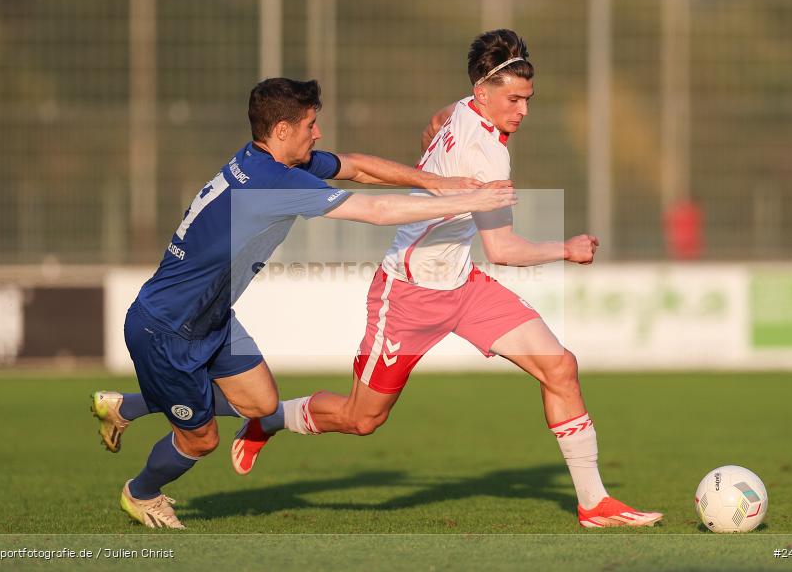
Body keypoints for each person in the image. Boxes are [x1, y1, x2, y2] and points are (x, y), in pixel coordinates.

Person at [230, 30, 663, 529]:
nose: (522, 111)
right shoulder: (488, 155)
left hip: (463, 285)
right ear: (483, 93)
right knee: (362, 419)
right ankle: (270, 418)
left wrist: (429, 152)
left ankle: (593, 502)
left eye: (528, 99)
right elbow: (504, 250)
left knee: (560, 367)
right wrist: (566, 250)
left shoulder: (464, 107)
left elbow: (437, 122)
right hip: (407, 294)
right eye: (514, 100)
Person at [90, 77, 515, 529]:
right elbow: (376, 211)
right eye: (311, 125)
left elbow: (356, 168)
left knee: (261, 403)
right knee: (200, 440)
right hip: (165, 330)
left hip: (211, 319)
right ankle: (141, 493)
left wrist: (436, 182)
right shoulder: (271, 183)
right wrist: (470, 199)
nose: (318, 134)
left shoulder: (267, 162)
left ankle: (127, 406)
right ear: (281, 131)